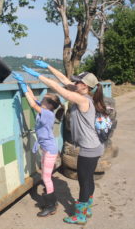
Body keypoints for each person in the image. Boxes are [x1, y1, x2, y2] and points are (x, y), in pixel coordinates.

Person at [22, 61, 107, 225]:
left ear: (85, 86)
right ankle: (87, 207)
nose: (74, 84)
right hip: (93, 146)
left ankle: (81, 215)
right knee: (88, 178)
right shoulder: (82, 92)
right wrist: (47, 67)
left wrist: (37, 75)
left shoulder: (83, 100)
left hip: (89, 149)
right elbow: (62, 79)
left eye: (78, 82)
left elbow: (59, 88)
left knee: (84, 181)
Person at [12, 72, 64, 217]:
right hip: (46, 148)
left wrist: (22, 86)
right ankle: (50, 202)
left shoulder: (48, 114)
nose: (42, 99)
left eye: (45, 99)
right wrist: (25, 84)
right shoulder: (46, 109)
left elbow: (33, 103)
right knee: (44, 175)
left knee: (46, 178)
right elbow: (34, 98)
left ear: (49, 104)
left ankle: (51, 205)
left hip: (50, 150)